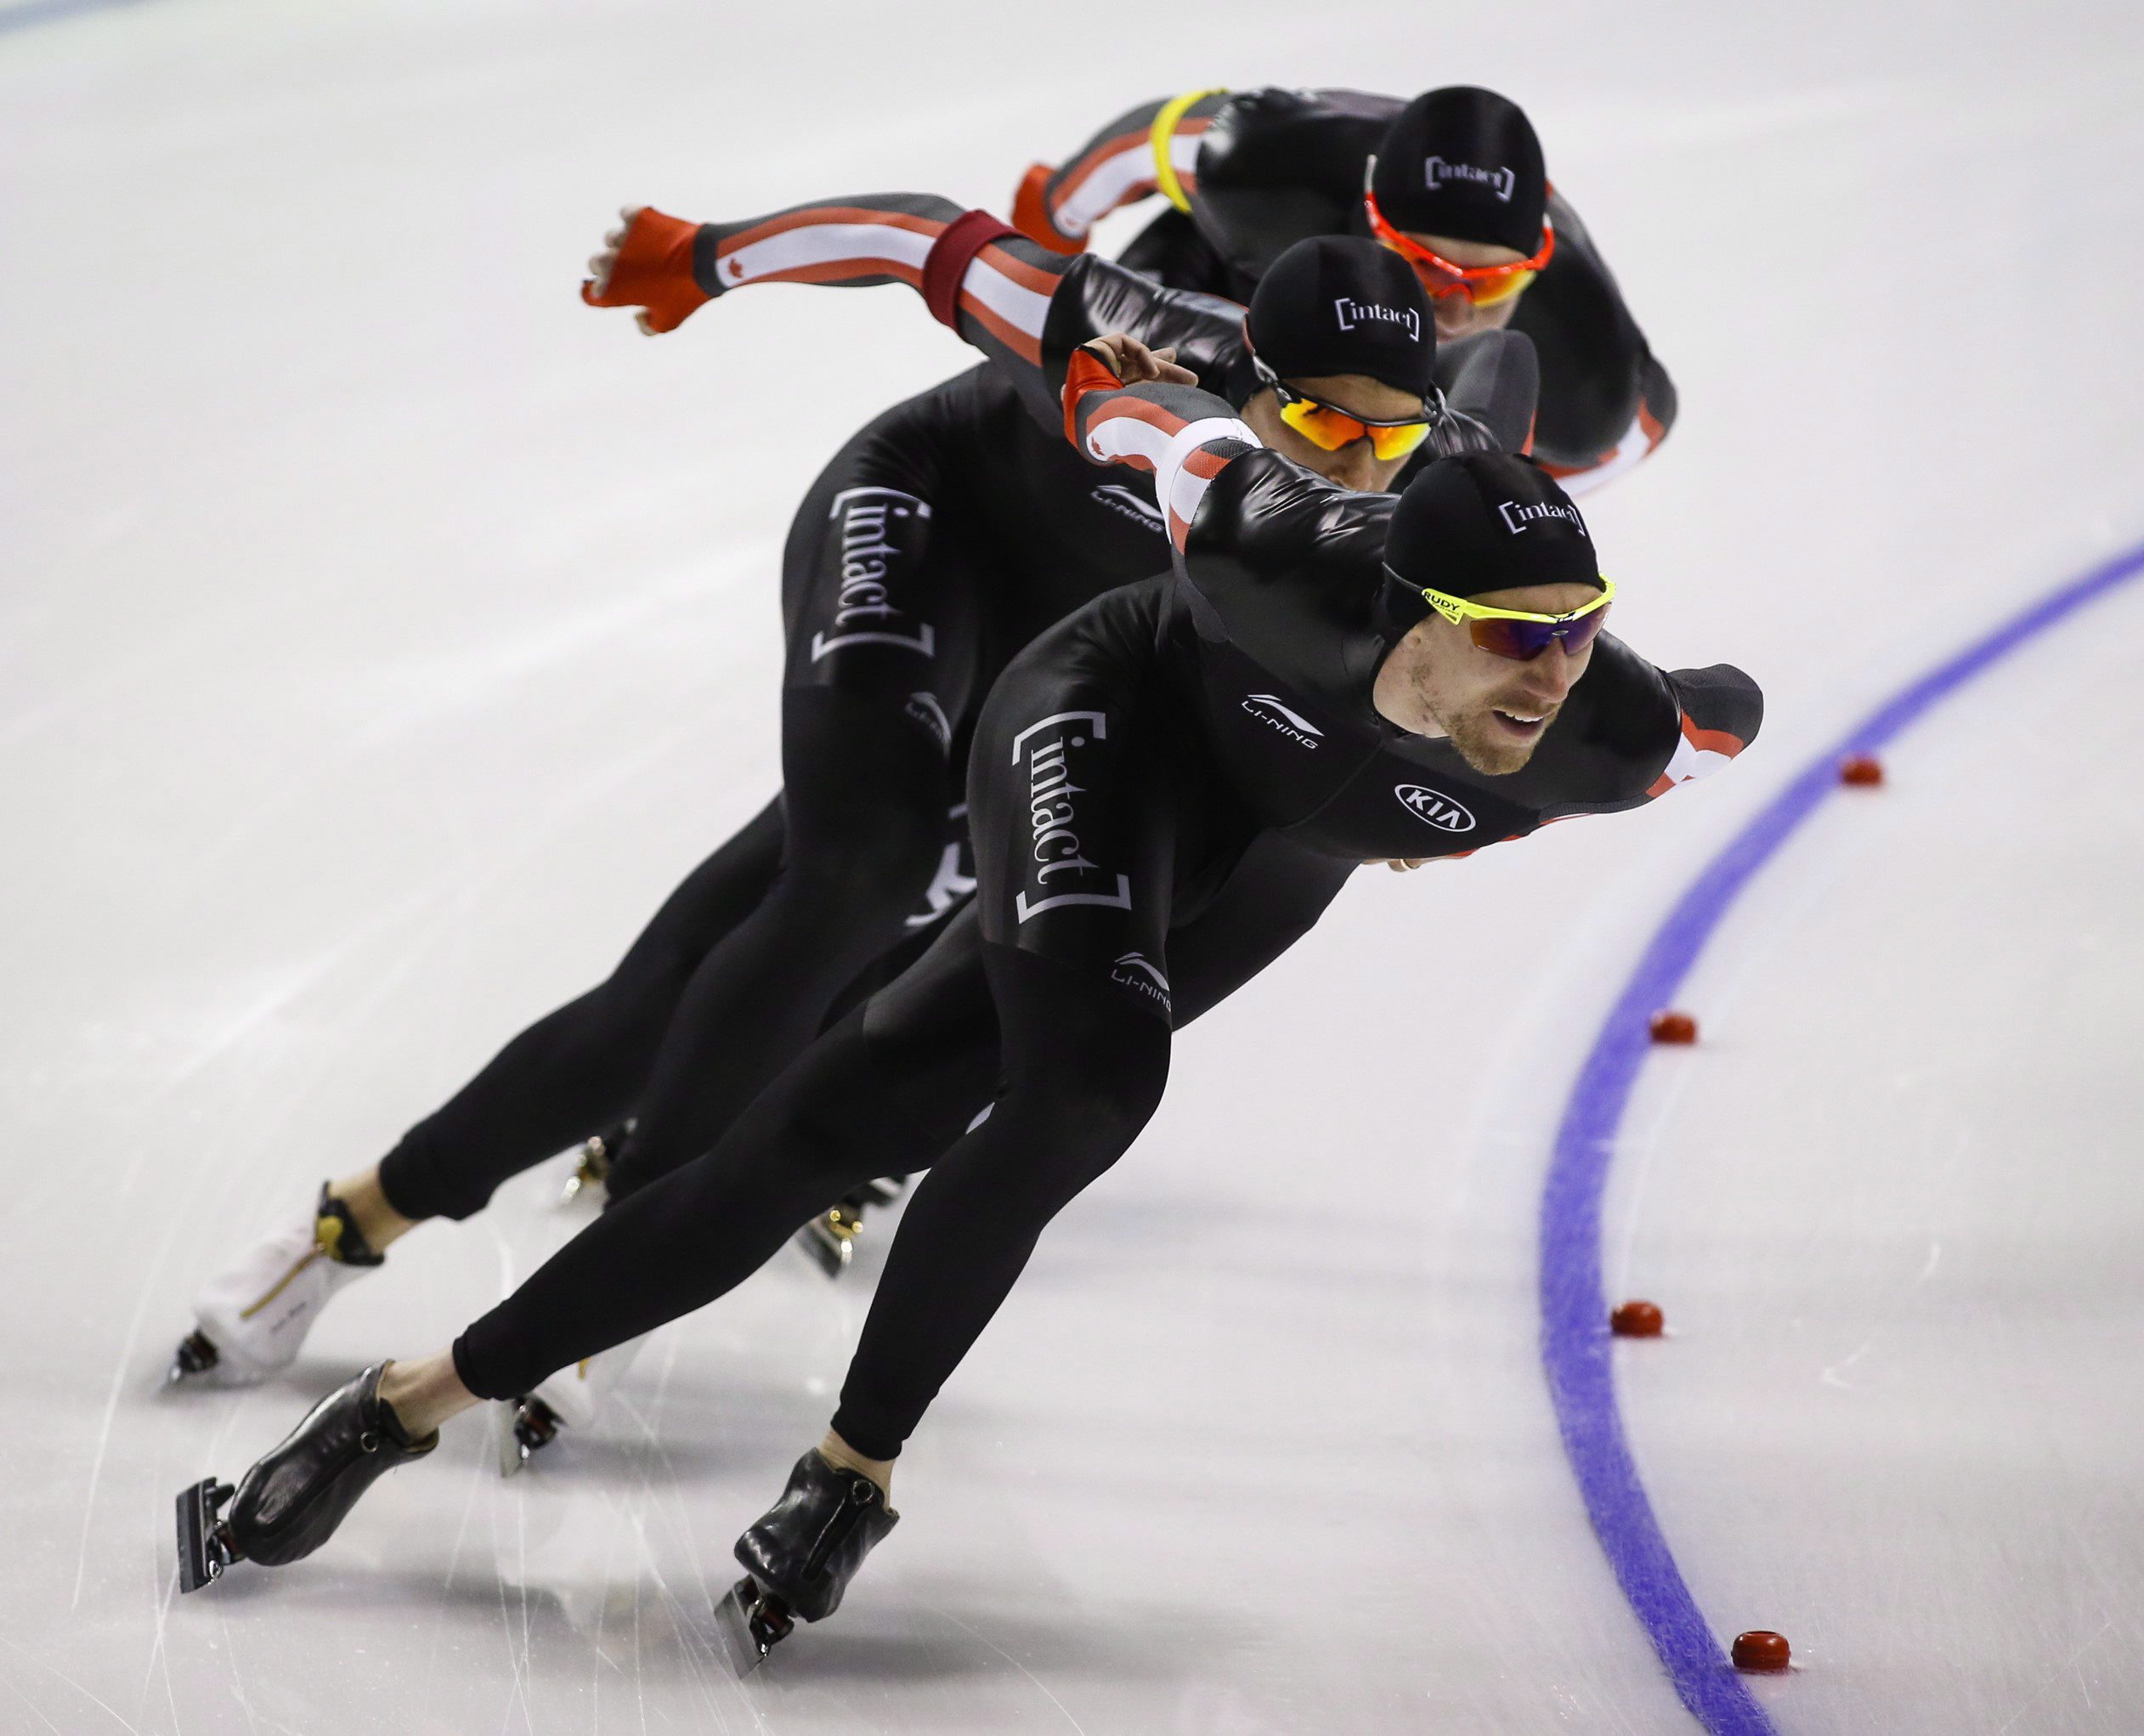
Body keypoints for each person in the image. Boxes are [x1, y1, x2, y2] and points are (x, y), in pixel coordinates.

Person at [177, 299, 1759, 1663]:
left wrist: (1577, 694)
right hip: (1112, 720)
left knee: (869, 1119)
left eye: (1579, 633)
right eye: (1513, 640)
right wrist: (1103, 381)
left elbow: (1728, 709)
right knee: (1080, 1083)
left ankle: (484, 1414)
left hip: (1283, 845)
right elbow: (1162, 427)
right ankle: (638, 1438)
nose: (1552, 676)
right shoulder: (1269, 551)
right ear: (1410, 604)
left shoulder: (1612, 733)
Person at [168, 194, 1536, 1457]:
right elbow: (920, 237)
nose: (1352, 463)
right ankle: (549, 1234)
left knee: (755, 971)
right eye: (1322, 426)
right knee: (857, 876)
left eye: (1386, 439)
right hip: (929, 523)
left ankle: (370, 1207)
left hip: (1065, 660)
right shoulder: (1131, 331)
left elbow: (1494, 613)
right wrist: (705, 257)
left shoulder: (1436, 486)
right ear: (1250, 372)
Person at [1013, 83, 1676, 493]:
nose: (1451, 311)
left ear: (1537, 263)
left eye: (1492, 284)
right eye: (1422, 265)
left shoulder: (1591, 374)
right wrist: (1055, 216)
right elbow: (1137, 147)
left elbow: (1640, 429)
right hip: (1227, 269)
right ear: (1368, 212)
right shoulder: (1265, 165)